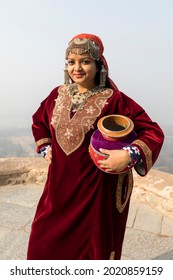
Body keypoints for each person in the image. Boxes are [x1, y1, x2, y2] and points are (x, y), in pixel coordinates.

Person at [27, 33, 164, 260]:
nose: (77, 68)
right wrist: (45, 147)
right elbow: (39, 121)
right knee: (42, 241)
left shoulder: (114, 100)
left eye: (85, 61)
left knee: (90, 253)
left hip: (95, 192)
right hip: (57, 190)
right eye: (71, 62)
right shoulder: (56, 95)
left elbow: (152, 131)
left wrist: (129, 154)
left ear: (98, 64)